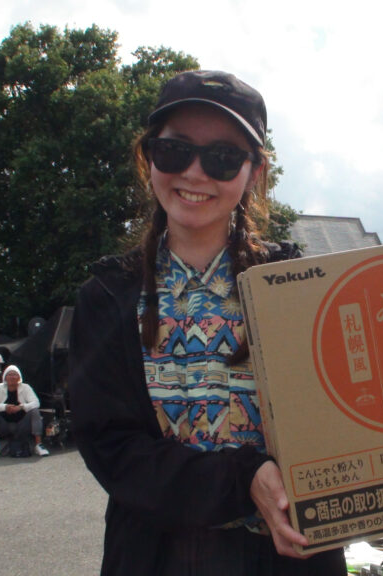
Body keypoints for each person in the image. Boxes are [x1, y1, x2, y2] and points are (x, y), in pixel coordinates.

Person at [69, 69, 346, 575]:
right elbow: (112, 448)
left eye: (223, 157)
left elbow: (342, 417)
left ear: (254, 172)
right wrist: (243, 481)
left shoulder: (299, 287)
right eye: (175, 151)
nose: (195, 173)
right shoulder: (106, 298)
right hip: (155, 559)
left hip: (286, 559)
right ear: (148, 156)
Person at [0, 365, 48, 458]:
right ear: (5, 377)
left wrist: (21, 407)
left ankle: (39, 445)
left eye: (14, 374)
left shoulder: (25, 387)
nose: (12, 377)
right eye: (9, 374)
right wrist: (5, 407)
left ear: (19, 377)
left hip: (22, 425)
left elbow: (36, 403)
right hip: (3, 426)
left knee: (34, 411)